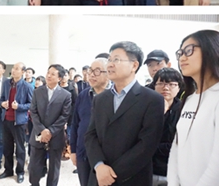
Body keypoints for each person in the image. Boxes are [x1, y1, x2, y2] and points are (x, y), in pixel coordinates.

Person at [84, 41, 164, 186]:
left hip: (132, 178)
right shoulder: (100, 99)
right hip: (99, 177)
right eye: (109, 60)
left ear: (134, 65)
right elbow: (91, 135)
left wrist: (111, 174)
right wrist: (99, 165)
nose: (110, 64)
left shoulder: (152, 99)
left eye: (116, 60)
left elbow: (147, 145)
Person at [167, 29, 219, 186]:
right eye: (180, 53)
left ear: (212, 49)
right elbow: (177, 148)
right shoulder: (190, 99)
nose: (182, 58)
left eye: (189, 51)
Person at [29, 64, 72, 186]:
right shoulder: (37, 92)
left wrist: (50, 131)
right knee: (34, 167)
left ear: (59, 78)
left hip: (56, 136)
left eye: (53, 74)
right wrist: (42, 130)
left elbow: (64, 116)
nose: (48, 75)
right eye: (48, 73)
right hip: (38, 134)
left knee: (54, 168)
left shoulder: (66, 95)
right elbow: (33, 112)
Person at [70, 58, 109, 186]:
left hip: (106, 155)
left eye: (97, 71)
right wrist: (73, 150)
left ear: (108, 73)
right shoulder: (83, 95)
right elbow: (75, 124)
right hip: (83, 151)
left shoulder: (115, 96)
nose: (91, 75)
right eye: (90, 71)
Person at [0, 62, 33, 184]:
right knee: (7, 148)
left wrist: (19, 107)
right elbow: (1, 99)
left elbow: (32, 104)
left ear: (23, 72)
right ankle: (8, 170)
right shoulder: (6, 83)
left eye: (17, 68)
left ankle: (20, 172)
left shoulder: (27, 86)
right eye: (13, 68)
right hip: (6, 120)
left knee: (20, 149)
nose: (13, 70)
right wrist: (2, 103)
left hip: (19, 122)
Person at [151, 68, 184, 186]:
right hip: (148, 169)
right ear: (154, 86)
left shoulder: (184, 110)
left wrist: (151, 147)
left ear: (179, 87)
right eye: (161, 83)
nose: (165, 88)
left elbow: (179, 144)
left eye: (171, 84)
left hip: (173, 171)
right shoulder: (145, 108)